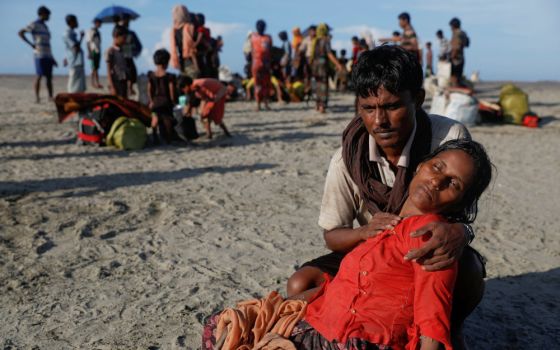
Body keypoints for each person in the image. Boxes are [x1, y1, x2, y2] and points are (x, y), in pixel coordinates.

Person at [201, 139, 493, 350]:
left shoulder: (430, 236)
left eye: (453, 184)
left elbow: (432, 320)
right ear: (420, 166)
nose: (437, 181)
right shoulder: (383, 218)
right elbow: (345, 278)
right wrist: (286, 307)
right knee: (226, 324)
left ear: (462, 201)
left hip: (357, 341)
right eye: (436, 167)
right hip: (324, 329)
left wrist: (461, 230)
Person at [286, 45, 485, 349]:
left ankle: (445, 328)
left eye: (392, 106)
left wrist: (462, 231)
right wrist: (365, 233)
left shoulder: (447, 140)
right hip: (369, 250)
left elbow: (463, 206)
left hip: (424, 245)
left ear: (417, 100)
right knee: (300, 284)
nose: (380, 121)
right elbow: (332, 235)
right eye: (368, 108)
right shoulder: (346, 159)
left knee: (467, 269)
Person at [18, 6, 58, 103]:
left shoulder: (45, 27)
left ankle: (50, 96)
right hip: (39, 54)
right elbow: (21, 32)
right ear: (42, 14)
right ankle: (37, 97)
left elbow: (49, 44)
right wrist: (31, 44)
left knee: (49, 77)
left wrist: (53, 58)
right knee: (39, 75)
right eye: (48, 15)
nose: (49, 17)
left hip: (48, 54)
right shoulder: (34, 24)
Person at [308, 23, 343, 113]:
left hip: (315, 65)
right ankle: (322, 107)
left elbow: (311, 55)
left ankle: (317, 105)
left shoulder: (315, 40)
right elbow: (329, 54)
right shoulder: (325, 40)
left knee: (317, 85)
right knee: (323, 85)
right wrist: (337, 64)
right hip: (323, 65)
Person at [148, 49, 176, 144]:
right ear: (166, 62)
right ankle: (168, 138)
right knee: (167, 120)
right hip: (166, 101)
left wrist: (151, 101)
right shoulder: (169, 76)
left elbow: (150, 89)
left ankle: (155, 135)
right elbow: (171, 90)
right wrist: (173, 101)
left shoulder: (151, 75)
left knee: (155, 118)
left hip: (155, 101)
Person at [250, 19, 273, 111]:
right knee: (257, 84)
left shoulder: (268, 38)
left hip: (266, 64)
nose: (261, 28)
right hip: (256, 64)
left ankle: (266, 103)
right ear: (256, 27)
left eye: (262, 27)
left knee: (266, 84)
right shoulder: (253, 37)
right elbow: (251, 50)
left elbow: (270, 50)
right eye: (259, 27)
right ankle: (258, 104)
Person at [170, 5, 198, 78]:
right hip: (192, 60)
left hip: (180, 61)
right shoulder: (190, 27)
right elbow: (193, 46)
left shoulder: (173, 31)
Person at [119, 13, 142, 96]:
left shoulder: (130, 33)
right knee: (126, 73)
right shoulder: (119, 32)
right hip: (121, 56)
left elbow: (138, 45)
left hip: (128, 54)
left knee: (131, 72)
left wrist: (134, 52)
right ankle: (128, 88)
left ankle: (130, 88)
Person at [63, 14, 86, 93]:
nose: (77, 23)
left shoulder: (72, 33)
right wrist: (81, 38)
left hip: (77, 61)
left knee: (79, 84)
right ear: (71, 22)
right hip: (75, 61)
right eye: (75, 21)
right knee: (73, 83)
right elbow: (75, 47)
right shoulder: (68, 34)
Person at [106, 25, 128, 99]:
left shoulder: (124, 50)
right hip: (116, 82)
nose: (125, 40)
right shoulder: (110, 51)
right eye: (123, 38)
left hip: (124, 81)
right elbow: (108, 71)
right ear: (116, 36)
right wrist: (112, 87)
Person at [449, 18, 469, 87]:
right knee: (459, 78)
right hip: (461, 58)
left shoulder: (456, 33)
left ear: (453, 26)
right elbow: (467, 44)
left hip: (456, 59)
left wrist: (451, 57)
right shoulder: (463, 33)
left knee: (454, 79)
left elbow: (455, 48)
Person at [87, 18, 103, 89]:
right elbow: (88, 42)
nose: (100, 24)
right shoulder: (91, 31)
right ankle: (93, 83)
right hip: (93, 50)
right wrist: (89, 52)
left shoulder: (98, 32)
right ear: (96, 23)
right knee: (93, 68)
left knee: (96, 68)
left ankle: (97, 82)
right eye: (99, 23)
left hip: (98, 51)